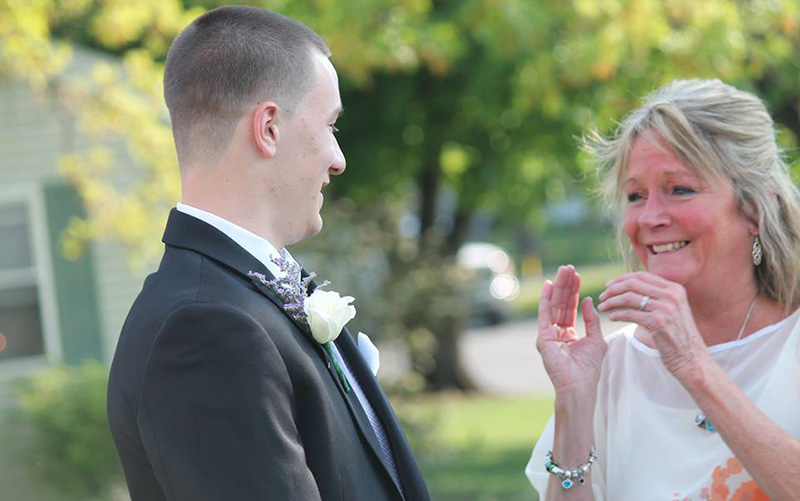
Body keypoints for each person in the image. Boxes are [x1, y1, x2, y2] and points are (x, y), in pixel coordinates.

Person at [106, 6, 430, 501]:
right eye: (331, 125)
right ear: (269, 128)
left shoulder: (252, 297)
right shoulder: (204, 327)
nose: (338, 159)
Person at [526, 79, 800, 500]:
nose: (650, 217)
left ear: (754, 208)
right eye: (635, 195)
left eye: (680, 190)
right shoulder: (613, 366)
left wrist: (695, 366)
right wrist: (576, 406)